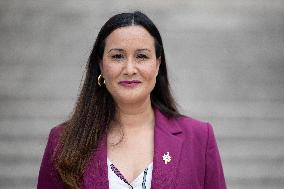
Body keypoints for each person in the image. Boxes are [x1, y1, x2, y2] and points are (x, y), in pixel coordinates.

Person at [37, 11, 227, 189]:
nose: (129, 69)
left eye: (142, 56)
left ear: (158, 64)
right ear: (101, 65)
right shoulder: (62, 141)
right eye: (118, 56)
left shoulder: (199, 137)